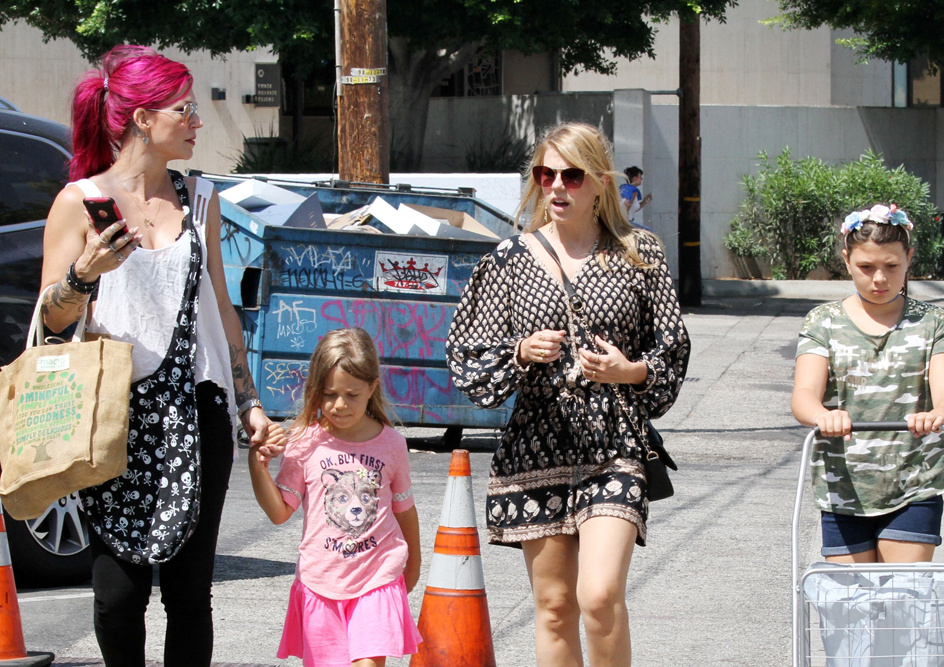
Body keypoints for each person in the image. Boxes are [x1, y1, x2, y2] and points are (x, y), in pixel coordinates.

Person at [38, 45, 282, 666]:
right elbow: (51, 318)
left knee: (189, 593)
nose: (197, 121)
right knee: (118, 594)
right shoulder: (80, 201)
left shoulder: (201, 199)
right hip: (114, 418)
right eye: (186, 109)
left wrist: (247, 402)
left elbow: (223, 311)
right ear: (144, 118)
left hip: (198, 410)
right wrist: (83, 273)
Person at [446, 123, 690, 667]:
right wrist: (519, 352)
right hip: (536, 445)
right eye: (545, 174)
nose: (557, 186)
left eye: (572, 175)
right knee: (555, 607)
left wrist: (629, 371)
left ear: (600, 182)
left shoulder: (639, 252)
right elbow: (466, 353)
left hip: (614, 445)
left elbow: (673, 348)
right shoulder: (509, 259)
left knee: (598, 597)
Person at [791, 204, 944, 564]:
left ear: (909, 259)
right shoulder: (823, 321)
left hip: (914, 483)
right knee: (850, 608)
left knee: (903, 604)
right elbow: (804, 396)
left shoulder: (932, 322)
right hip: (843, 486)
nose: (879, 279)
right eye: (866, 268)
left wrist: (936, 414)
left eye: (892, 267)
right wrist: (823, 415)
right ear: (847, 260)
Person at [248, 328, 422, 667]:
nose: (340, 405)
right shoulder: (303, 442)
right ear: (315, 390)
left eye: (352, 395)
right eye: (329, 394)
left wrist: (412, 565)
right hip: (320, 581)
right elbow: (280, 512)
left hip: (378, 577)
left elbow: (404, 509)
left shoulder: (392, 445)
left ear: (372, 388)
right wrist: (259, 465)